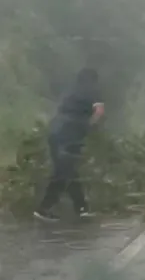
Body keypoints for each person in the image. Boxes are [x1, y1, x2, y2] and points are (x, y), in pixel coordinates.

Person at [33, 68, 105, 222]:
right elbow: (99, 112)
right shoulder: (93, 90)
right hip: (70, 135)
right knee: (63, 172)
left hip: (55, 133)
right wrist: (88, 127)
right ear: (94, 80)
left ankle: (81, 207)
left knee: (70, 170)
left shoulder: (70, 91)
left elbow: (60, 111)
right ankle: (44, 208)